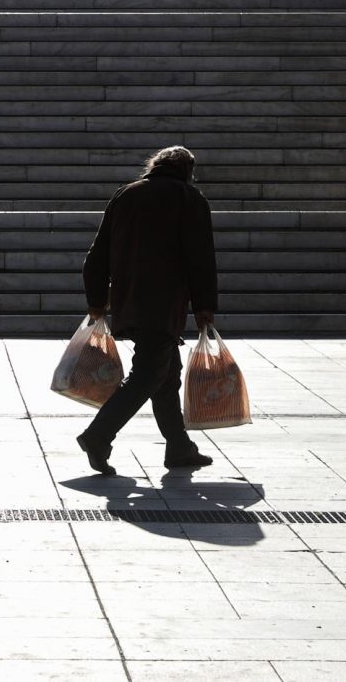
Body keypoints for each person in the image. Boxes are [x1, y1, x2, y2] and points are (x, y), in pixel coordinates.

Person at [75, 144, 218, 475]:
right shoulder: (189, 198)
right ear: (188, 169)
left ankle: (179, 447)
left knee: (165, 377)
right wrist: (205, 305)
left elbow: (97, 253)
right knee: (147, 376)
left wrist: (97, 300)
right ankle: (97, 436)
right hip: (164, 303)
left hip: (128, 300)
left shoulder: (126, 195)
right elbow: (200, 258)